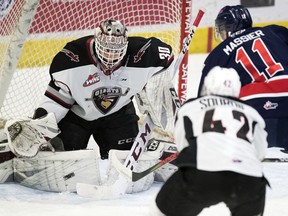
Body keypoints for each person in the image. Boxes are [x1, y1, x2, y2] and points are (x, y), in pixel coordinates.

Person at [32, 19, 174, 159]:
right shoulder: (72, 61)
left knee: (125, 158)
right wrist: (38, 130)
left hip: (119, 114)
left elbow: (167, 60)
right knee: (65, 161)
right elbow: (55, 102)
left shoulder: (143, 55)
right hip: (77, 117)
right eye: (107, 49)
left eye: (116, 50)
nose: (111, 55)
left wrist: (153, 86)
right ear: (97, 43)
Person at [154, 66, 268, 216]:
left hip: (202, 173)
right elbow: (260, 153)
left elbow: (182, 144)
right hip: (249, 179)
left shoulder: (191, 107)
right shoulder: (252, 113)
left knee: (160, 212)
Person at [197, 5, 288, 150]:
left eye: (222, 29)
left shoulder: (218, 54)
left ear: (229, 27)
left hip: (259, 117)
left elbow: (205, 102)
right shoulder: (275, 31)